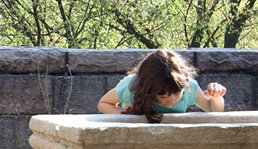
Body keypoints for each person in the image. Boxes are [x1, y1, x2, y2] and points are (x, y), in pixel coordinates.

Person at [97, 49, 228, 121]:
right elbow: (103, 103)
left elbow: (214, 111)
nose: (171, 101)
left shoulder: (189, 87)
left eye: (177, 94)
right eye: (163, 97)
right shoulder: (132, 85)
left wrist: (216, 97)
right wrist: (125, 117)